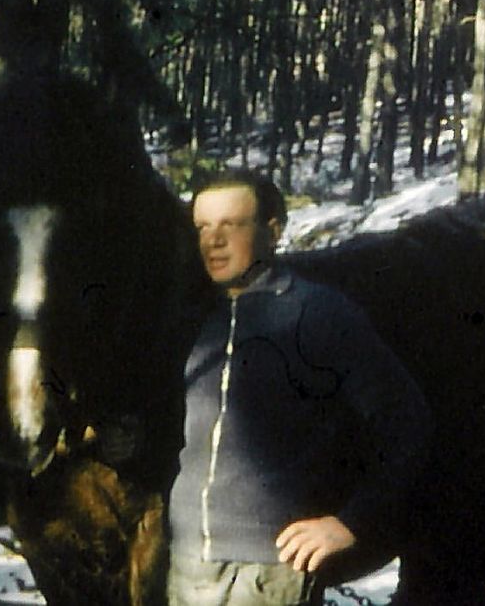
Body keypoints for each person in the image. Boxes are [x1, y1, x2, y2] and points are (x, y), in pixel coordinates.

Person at [168, 171, 431, 606]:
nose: (212, 240)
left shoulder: (317, 313)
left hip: (269, 574)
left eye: (230, 225)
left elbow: (407, 421)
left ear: (273, 231)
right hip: (186, 564)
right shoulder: (190, 319)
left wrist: (351, 523)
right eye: (202, 227)